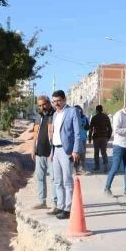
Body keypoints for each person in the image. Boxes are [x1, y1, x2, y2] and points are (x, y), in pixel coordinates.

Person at [49, 90, 82, 219]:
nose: (56, 103)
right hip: (56, 150)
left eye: (58, 101)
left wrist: (75, 150)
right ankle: (60, 205)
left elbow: (78, 133)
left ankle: (68, 209)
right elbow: (55, 134)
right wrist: (52, 152)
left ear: (64, 100)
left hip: (66, 150)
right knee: (57, 181)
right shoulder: (55, 114)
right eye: (54, 101)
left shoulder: (72, 111)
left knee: (67, 181)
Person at [31, 95, 56, 209]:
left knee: (53, 178)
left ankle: (55, 202)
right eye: (40, 105)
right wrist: (33, 148)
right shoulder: (38, 116)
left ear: (49, 103)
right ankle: (42, 201)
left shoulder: (55, 115)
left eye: (44, 104)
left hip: (51, 151)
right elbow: (35, 134)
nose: (42, 107)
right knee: (40, 177)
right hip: (39, 151)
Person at [88, 105, 112, 172]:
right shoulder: (106, 117)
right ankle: (106, 166)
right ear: (102, 109)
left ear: (96, 110)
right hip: (104, 137)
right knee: (104, 152)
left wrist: (89, 138)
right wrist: (108, 137)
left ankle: (97, 167)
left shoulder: (94, 118)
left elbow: (91, 129)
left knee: (96, 152)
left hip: (96, 137)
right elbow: (110, 128)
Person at [74, 105, 89, 175]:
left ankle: (82, 168)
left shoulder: (84, 118)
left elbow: (88, 127)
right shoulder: (73, 117)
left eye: (79, 110)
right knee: (75, 154)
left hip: (82, 138)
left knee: (82, 154)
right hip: (74, 139)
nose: (78, 111)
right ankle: (75, 169)